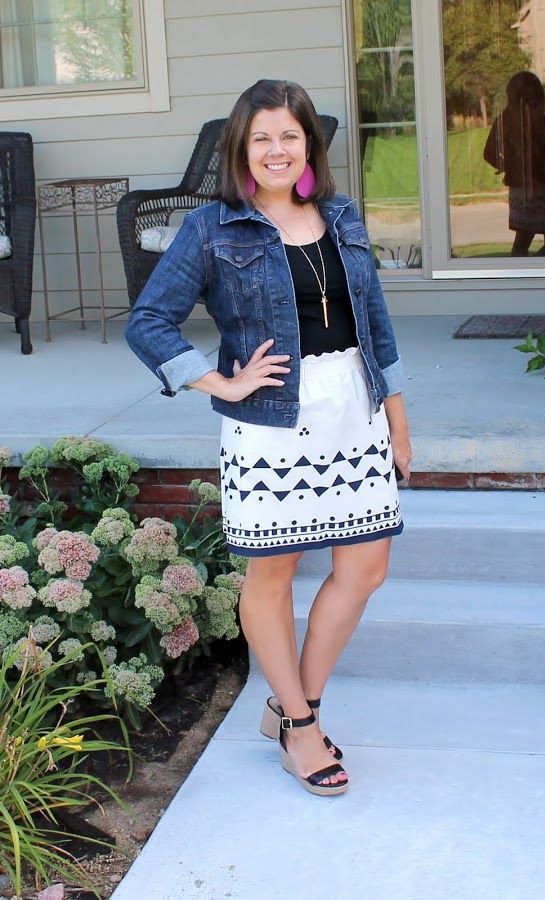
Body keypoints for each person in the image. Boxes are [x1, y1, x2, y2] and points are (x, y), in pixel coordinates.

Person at [125, 79, 412, 797]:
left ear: (309, 143)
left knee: (365, 569)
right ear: (242, 150)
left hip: (354, 409)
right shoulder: (212, 227)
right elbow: (149, 321)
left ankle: (291, 709)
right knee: (272, 575)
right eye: (262, 138)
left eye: (290, 135)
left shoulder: (341, 215)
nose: (277, 149)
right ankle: (304, 731)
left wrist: (399, 423)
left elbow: (374, 325)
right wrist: (217, 382)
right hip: (271, 426)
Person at [484, 71, 545, 257]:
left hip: (523, 189)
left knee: (523, 239)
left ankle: (523, 275)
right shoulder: (540, 123)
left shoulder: (506, 120)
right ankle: (538, 275)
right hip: (544, 187)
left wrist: (510, 166)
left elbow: (489, 153)